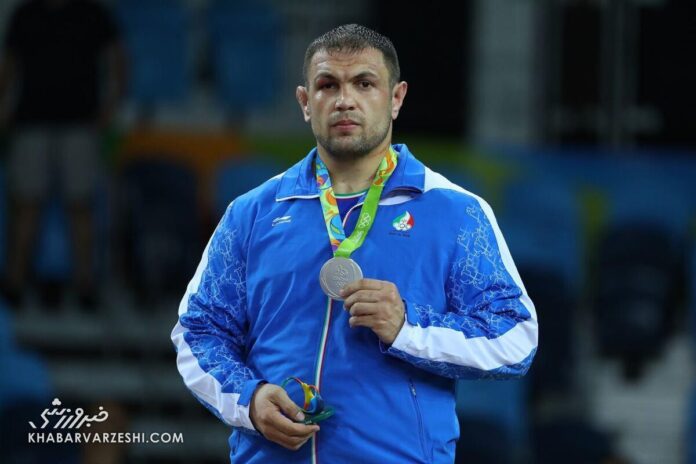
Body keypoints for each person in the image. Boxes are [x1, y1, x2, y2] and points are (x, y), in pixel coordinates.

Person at [172, 24, 538, 463]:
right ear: (305, 102)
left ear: (396, 98)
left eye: (364, 83)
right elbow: (198, 330)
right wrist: (248, 398)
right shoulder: (253, 214)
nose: (345, 100)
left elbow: (515, 338)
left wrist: (408, 326)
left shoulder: (454, 212)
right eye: (328, 85)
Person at [0, 0, 126, 309]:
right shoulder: (25, 14)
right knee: (25, 206)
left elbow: (118, 60)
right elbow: (9, 66)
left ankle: (85, 285)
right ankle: (14, 284)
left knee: (81, 207)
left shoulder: (93, 13)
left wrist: (111, 105)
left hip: (80, 125)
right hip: (30, 123)